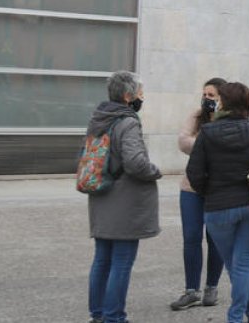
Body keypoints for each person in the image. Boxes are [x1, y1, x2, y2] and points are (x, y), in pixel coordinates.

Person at [187, 81, 249, 323]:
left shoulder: (207, 133)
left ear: (223, 103)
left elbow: (194, 173)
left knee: (235, 266)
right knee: (242, 265)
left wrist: (210, 191)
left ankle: (244, 316)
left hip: (217, 209)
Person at [86, 71, 162, 323]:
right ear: (129, 96)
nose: (142, 97)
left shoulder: (99, 118)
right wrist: (155, 171)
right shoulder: (128, 122)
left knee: (102, 260)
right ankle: (114, 317)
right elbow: (135, 163)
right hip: (125, 203)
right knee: (121, 262)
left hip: (101, 197)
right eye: (140, 92)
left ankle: (98, 314)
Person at [171, 77, 226, 311]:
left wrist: (202, 143)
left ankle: (211, 288)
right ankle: (191, 291)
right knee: (191, 237)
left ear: (222, 98)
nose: (206, 99)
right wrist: (208, 144)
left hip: (218, 189)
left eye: (211, 95)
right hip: (191, 187)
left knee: (216, 239)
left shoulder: (229, 119)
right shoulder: (196, 116)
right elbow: (183, 142)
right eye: (204, 94)